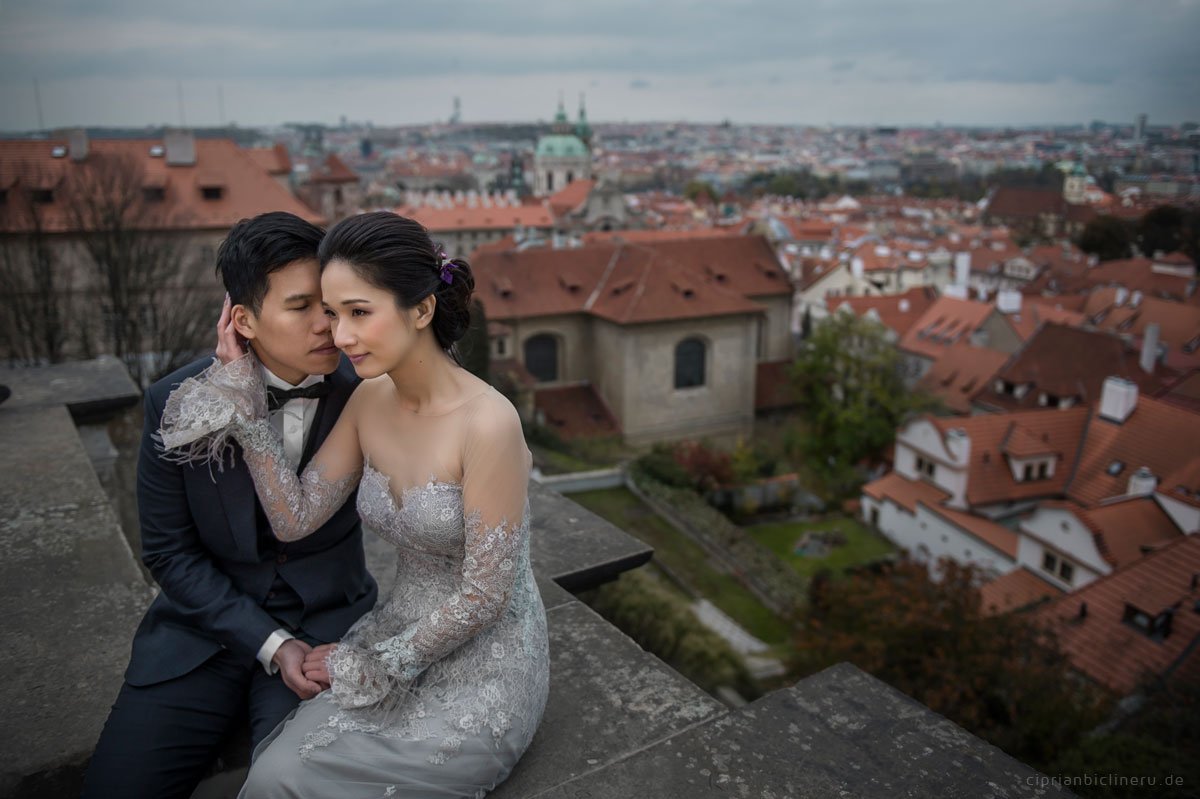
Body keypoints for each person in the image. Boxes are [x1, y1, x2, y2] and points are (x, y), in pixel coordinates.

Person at [157, 212, 549, 798]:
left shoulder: (488, 423)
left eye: (359, 313)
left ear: (421, 309)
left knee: (292, 778)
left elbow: (486, 597)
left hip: (484, 664)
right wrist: (247, 411)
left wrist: (381, 662)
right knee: (275, 770)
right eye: (334, 314)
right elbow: (294, 519)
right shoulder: (368, 400)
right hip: (394, 628)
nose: (338, 337)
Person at [83, 212, 378, 799]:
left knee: (298, 787)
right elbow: (168, 553)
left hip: (326, 634)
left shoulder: (368, 392)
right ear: (242, 318)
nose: (328, 326)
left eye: (333, 304)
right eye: (301, 307)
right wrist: (271, 642)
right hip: (199, 639)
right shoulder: (177, 402)